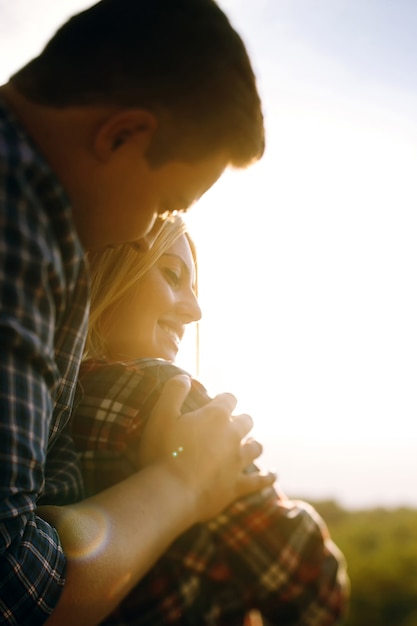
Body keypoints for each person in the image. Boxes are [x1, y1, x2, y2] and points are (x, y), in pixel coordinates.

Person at [0, 2, 272, 625]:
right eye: (165, 203)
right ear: (122, 135)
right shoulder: (17, 221)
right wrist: (184, 487)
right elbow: (10, 591)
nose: (146, 236)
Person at [72, 215, 350, 625]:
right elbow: (313, 594)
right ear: (110, 268)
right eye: (172, 274)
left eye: (195, 288)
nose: (195, 310)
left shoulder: (46, 403)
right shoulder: (167, 396)